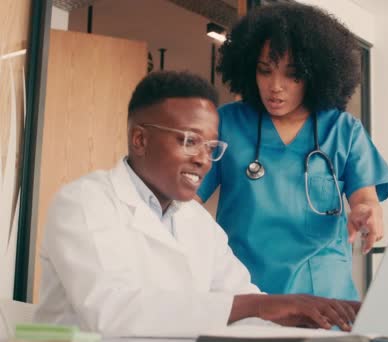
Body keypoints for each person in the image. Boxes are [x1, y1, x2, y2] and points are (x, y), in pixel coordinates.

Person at [35, 71, 360, 337]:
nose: (204, 161)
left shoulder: (197, 222)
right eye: (190, 141)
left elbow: (243, 305)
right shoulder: (83, 202)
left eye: (211, 147)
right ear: (140, 139)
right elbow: (109, 311)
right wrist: (260, 307)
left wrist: (305, 325)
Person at [197, 3, 388, 302]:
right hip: (246, 291)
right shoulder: (226, 123)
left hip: (325, 295)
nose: (275, 87)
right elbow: (184, 202)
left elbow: (365, 198)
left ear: (316, 74)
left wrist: (368, 211)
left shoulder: (342, 130)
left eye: (292, 75)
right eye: (265, 71)